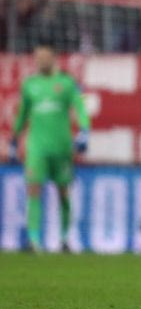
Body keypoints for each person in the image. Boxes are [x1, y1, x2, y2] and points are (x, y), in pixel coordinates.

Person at [9, 41, 90, 252]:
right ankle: (34, 240)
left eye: (44, 57)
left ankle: (65, 239)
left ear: (54, 58)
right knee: (33, 189)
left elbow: (80, 108)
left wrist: (84, 130)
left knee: (64, 192)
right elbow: (22, 114)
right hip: (36, 147)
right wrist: (14, 138)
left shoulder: (67, 83)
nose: (41, 61)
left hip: (62, 147)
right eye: (37, 57)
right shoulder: (29, 85)